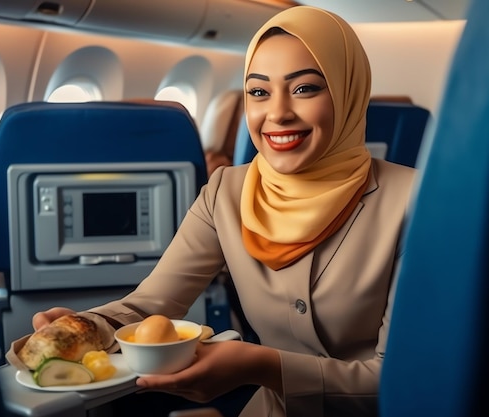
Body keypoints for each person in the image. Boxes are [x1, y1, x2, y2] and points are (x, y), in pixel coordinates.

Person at [21, 5, 417, 417]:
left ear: (348, 91)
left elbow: (404, 380)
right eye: (259, 92)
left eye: (304, 89)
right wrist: (83, 327)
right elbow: (150, 306)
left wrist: (262, 365)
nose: (277, 113)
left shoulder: (416, 202)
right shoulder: (226, 192)